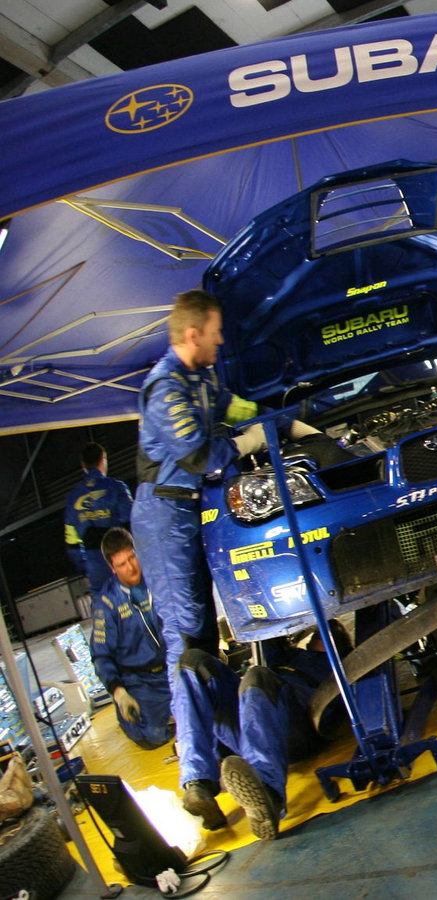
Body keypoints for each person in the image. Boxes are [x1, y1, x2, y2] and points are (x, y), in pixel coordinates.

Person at [130, 288, 267, 829]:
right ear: (192, 334)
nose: (222, 339)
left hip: (198, 508)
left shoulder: (204, 379)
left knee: (208, 641)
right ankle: (196, 780)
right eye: (215, 332)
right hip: (164, 517)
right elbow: (199, 453)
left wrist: (286, 412)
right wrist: (248, 439)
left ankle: (224, 749)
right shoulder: (164, 387)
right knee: (186, 640)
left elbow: (237, 408)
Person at [170, 623, 347, 840]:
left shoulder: (335, 665)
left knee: (258, 676)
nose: (319, 635)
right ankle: (198, 784)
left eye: (330, 634)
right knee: (192, 661)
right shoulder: (284, 656)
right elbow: (264, 631)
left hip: (297, 723)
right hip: (252, 717)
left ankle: (267, 793)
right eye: (319, 633)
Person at [87, 528, 172, 751]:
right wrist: (118, 691)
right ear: (112, 568)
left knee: (212, 709)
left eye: (132, 558)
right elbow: (101, 654)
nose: (131, 568)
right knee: (152, 737)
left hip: (173, 667)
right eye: (122, 564)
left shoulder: (158, 580)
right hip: (140, 680)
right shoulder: (106, 604)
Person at [63, 442, 132, 598]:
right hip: (124, 560)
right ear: (103, 459)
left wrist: (84, 570)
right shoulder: (116, 487)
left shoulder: (72, 499)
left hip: (95, 567)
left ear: (83, 465)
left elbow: (72, 543)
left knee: (107, 615)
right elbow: (131, 523)